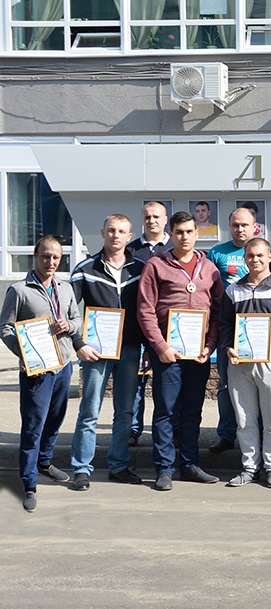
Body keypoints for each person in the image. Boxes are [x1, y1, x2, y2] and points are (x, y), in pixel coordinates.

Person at [136, 211, 224, 491]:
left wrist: (210, 345)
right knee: (165, 410)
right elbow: (145, 310)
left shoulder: (209, 268)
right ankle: (164, 468)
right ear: (170, 234)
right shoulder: (156, 265)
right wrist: (159, 346)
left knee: (192, 410)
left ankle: (189, 464)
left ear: (197, 234)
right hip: (167, 353)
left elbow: (218, 312)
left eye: (189, 232)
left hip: (198, 353)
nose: (184, 237)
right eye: (179, 232)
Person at [1, 236, 80, 513]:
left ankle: (44, 462)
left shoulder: (65, 288)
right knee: (33, 426)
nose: (50, 262)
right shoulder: (19, 290)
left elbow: (77, 320)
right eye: (45, 256)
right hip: (37, 369)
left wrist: (69, 326)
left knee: (55, 419)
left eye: (56, 257)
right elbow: (5, 327)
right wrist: (23, 354)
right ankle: (29, 483)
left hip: (63, 366)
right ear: (35, 256)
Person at [68, 214, 145, 491]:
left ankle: (118, 465)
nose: (116, 235)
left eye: (121, 231)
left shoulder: (141, 269)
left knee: (125, 411)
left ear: (129, 236)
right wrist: (79, 343)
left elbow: (147, 311)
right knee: (89, 410)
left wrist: (148, 347)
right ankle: (81, 468)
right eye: (111, 230)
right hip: (96, 351)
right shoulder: (85, 269)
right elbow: (68, 310)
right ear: (103, 233)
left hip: (130, 349)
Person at [218, 238, 271, 489]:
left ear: (270, 256)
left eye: (260, 255)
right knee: (245, 419)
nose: (255, 260)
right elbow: (224, 325)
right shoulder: (233, 290)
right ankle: (249, 467)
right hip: (239, 362)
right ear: (244, 258)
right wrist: (228, 347)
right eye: (250, 256)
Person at [204, 207, 257, 455]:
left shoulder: (263, 251)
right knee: (225, 385)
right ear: (230, 226)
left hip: (258, 328)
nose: (240, 229)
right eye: (235, 225)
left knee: (258, 384)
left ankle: (258, 431)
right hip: (228, 327)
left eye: (245, 225)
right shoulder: (217, 253)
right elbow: (208, 290)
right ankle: (226, 434)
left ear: (255, 227)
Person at [128, 201, 173, 447]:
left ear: (165, 220)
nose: (152, 220)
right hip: (137, 327)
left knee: (169, 387)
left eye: (156, 216)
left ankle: (172, 433)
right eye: (147, 216)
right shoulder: (130, 250)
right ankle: (133, 431)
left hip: (167, 331)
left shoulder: (176, 247)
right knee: (135, 385)